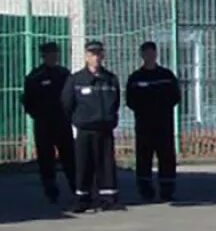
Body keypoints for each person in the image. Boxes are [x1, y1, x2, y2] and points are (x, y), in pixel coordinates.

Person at [61, 39, 121, 213]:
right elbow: (66, 104)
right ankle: (82, 199)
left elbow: (115, 101)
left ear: (103, 55)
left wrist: (109, 118)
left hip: (105, 128)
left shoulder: (110, 79)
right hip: (85, 130)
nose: (96, 58)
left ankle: (108, 198)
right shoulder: (76, 80)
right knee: (83, 165)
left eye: (98, 54)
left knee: (106, 165)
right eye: (92, 54)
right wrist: (78, 120)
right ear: (87, 57)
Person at [125, 41, 181, 202]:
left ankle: (167, 190)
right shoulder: (135, 78)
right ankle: (145, 190)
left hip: (164, 124)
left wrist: (161, 108)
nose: (150, 56)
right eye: (146, 53)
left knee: (166, 157)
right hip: (144, 125)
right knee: (144, 158)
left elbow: (175, 96)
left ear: (156, 54)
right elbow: (130, 100)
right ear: (142, 55)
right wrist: (144, 110)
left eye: (152, 53)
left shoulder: (166, 76)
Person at [21, 40, 74, 204]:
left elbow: (72, 97)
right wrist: (38, 115)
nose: (53, 57)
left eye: (55, 54)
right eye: (50, 54)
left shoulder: (64, 74)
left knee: (69, 156)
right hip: (44, 123)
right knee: (46, 157)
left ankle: (76, 186)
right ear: (44, 56)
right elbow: (27, 100)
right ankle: (50, 189)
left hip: (62, 122)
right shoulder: (35, 76)